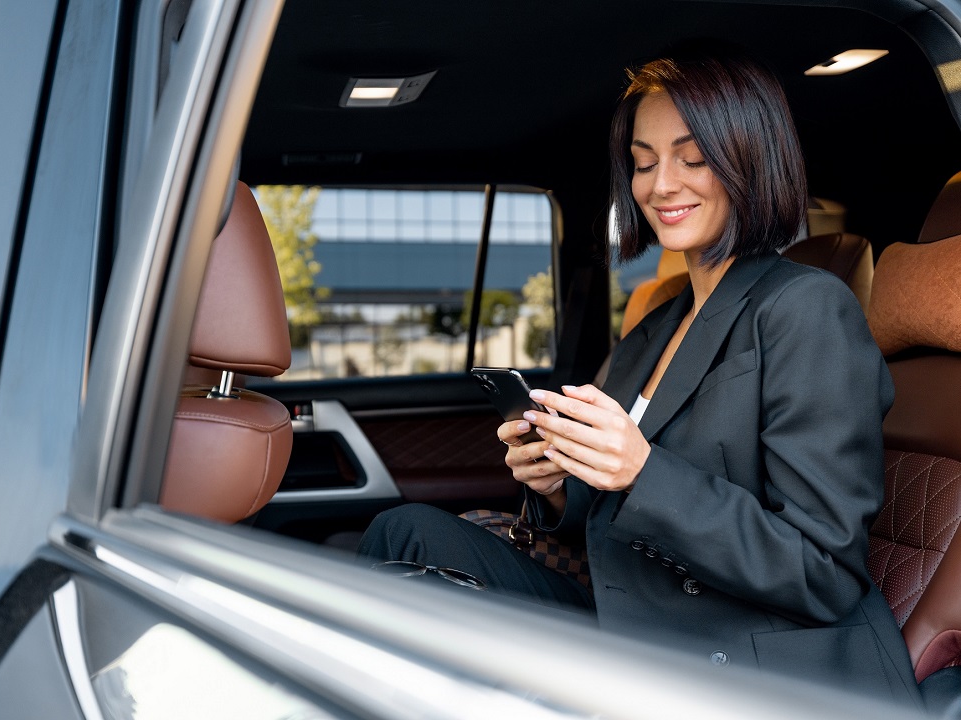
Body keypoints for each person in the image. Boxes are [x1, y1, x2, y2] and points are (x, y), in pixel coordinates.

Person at [357, 43, 920, 706]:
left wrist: (644, 472)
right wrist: (562, 485)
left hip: (745, 654)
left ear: (750, 155)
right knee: (405, 531)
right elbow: (616, 512)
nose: (659, 185)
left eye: (693, 156)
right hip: (634, 612)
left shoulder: (806, 309)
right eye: (644, 162)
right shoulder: (653, 328)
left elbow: (820, 570)